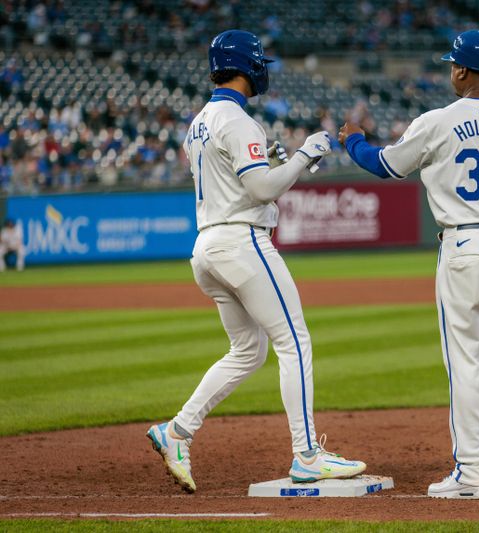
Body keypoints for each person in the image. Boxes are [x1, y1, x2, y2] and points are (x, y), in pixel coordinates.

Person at [339, 30, 479, 499]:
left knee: (466, 364)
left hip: (464, 246)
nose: (449, 71)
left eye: (451, 65)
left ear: (461, 69)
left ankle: (474, 474)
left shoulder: (438, 121)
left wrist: (353, 141)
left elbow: (384, 164)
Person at [146, 29, 365, 494]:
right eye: (259, 61)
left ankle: (177, 431)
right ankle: (307, 455)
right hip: (241, 243)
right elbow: (261, 190)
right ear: (247, 66)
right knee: (295, 342)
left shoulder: (200, 121)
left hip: (207, 246)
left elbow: (242, 178)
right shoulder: (239, 120)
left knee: (248, 351)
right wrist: (306, 154)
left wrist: (274, 163)